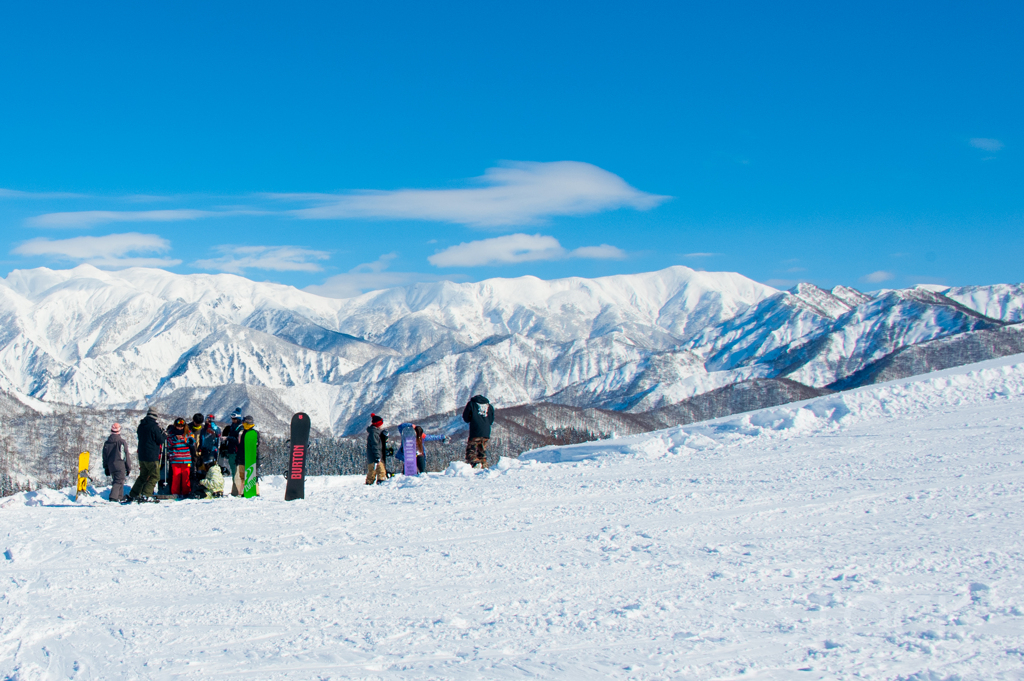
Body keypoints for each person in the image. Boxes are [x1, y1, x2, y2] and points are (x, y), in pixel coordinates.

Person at [128, 407, 165, 503]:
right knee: (155, 476)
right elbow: (160, 440)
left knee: (143, 475)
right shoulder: (155, 427)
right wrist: (164, 434)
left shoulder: (141, 426)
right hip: (152, 456)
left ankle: (134, 494)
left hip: (142, 455)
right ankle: (145, 495)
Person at [462, 395, 495, 468]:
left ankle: (475, 464)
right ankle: (484, 467)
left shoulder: (471, 404)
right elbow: (491, 420)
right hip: (486, 432)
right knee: (482, 452)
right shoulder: (489, 406)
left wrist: (473, 419)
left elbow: (466, 417)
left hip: (475, 431)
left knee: (471, 451)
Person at [102, 422, 131, 502]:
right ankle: (113, 497)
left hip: (111, 465)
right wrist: (128, 467)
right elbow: (125, 456)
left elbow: (105, 456)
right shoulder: (121, 442)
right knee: (118, 481)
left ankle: (120, 496)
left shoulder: (107, 443)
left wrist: (106, 467)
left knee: (120, 480)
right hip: (119, 464)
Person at [167, 417, 194, 497]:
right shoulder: (171, 434)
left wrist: (188, 440)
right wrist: (175, 438)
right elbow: (168, 444)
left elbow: (192, 443)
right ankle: (175, 493)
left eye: (181, 426)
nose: (180, 428)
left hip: (186, 459)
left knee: (186, 476)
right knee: (176, 476)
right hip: (175, 459)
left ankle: (186, 492)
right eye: (178, 426)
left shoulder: (188, 433)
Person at [223, 408, 245, 496]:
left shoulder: (240, 428)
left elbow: (238, 441)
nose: (233, 420)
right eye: (232, 419)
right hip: (231, 451)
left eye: (234, 419)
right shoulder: (232, 427)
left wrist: (228, 438)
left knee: (237, 472)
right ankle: (235, 490)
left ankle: (238, 490)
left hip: (236, 452)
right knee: (234, 471)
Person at [237, 415, 260, 496]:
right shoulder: (251, 433)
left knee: (246, 476)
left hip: (245, 458)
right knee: (249, 475)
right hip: (249, 458)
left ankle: (243, 492)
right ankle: (252, 491)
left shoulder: (246, 433)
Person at [365, 413, 388, 485]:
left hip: (373, 456)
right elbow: (375, 446)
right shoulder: (374, 433)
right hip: (374, 457)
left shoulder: (375, 432)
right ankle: (380, 483)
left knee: (372, 472)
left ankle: (369, 483)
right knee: (380, 471)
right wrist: (377, 457)